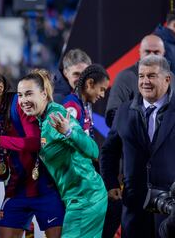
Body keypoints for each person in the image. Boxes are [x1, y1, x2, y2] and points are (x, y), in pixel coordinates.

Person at [0, 68, 65, 238]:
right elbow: (3, 172)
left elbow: (38, 143)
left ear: (0, 88)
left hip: (45, 187)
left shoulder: (19, 103)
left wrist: (0, 140)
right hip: (17, 191)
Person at [17, 69, 107, 238]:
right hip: (77, 198)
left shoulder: (57, 116)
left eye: (29, 94)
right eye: (20, 95)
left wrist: (69, 132)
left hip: (86, 197)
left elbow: (94, 150)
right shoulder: (39, 120)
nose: (23, 100)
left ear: (43, 94)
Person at [100, 55, 175, 238]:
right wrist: (110, 183)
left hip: (170, 214)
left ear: (167, 79)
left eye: (151, 76)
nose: (144, 82)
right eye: (141, 76)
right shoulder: (124, 110)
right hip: (134, 212)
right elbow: (109, 151)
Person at [105, 34, 166, 127]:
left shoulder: (171, 79)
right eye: (147, 52)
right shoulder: (125, 77)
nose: (152, 56)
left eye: (156, 52)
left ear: (164, 53)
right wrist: (132, 133)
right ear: (139, 52)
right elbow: (112, 114)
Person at [62, 64, 109, 137]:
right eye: (102, 89)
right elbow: (68, 140)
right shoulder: (72, 105)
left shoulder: (85, 104)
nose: (103, 95)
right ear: (90, 83)